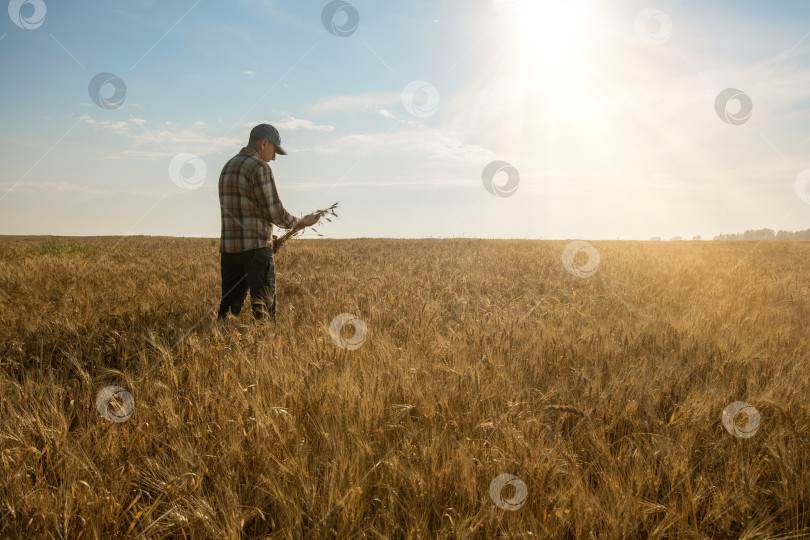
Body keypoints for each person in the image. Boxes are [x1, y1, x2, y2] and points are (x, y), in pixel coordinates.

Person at [217, 123, 320, 322]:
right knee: (263, 309)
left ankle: (218, 343)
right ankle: (263, 347)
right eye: (274, 150)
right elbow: (276, 212)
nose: (273, 158)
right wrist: (300, 222)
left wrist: (263, 230)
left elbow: (241, 208)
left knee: (228, 308)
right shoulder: (259, 167)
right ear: (264, 143)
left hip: (230, 250)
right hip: (255, 251)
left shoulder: (228, 165)